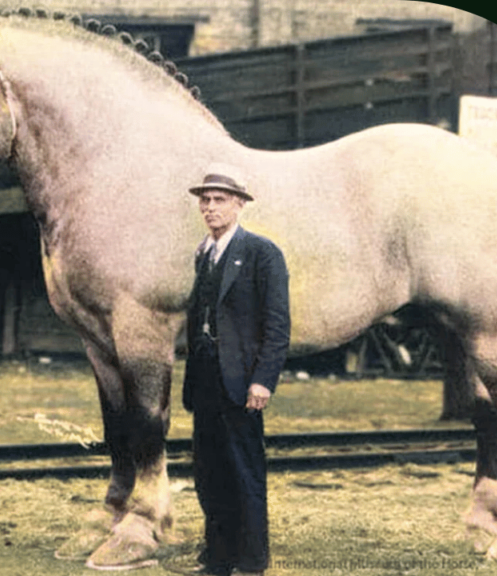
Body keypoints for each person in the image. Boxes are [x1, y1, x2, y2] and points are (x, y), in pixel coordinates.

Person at [183, 164, 290, 576]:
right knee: (209, 473)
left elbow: (278, 325)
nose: (210, 208)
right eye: (204, 201)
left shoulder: (263, 253)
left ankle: (251, 562)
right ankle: (217, 559)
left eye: (219, 200)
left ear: (240, 204)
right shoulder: (203, 253)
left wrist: (263, 379)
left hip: (243, 380)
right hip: (206, 377)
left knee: (244, 471)